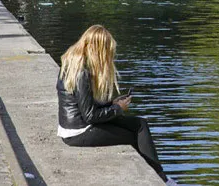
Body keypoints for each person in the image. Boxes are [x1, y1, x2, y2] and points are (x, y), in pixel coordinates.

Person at [57, 25, 171, 184]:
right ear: (97, 49)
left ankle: (160, 176)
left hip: (81, 124)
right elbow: (90, 116)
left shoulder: (76, 63)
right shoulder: (81, 72)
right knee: (131, 137)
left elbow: (86, 104)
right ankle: (159, 180)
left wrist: (112, 103)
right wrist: (118, 109)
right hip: (77, 131)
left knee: (140, 124)